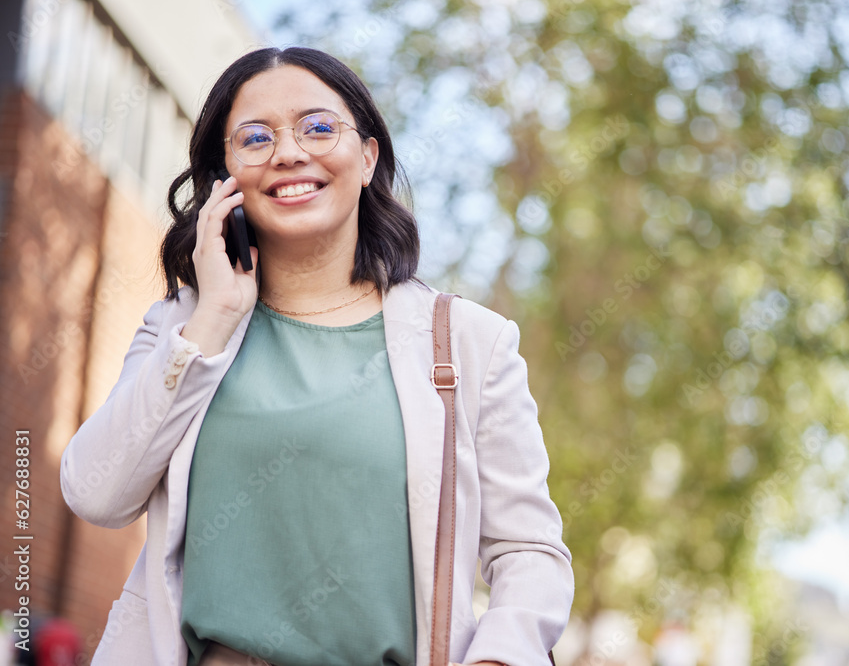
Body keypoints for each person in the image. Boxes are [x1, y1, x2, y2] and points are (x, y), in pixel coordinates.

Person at [59, 47, 573, 666]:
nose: (288, 152)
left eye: (319, 127)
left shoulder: (467, 342)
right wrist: (215, 316)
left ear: (367, 157)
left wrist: (497, 658)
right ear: (225, 174)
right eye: (254, 137)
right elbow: (96, 493)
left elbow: (529, 551)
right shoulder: (183, 325)